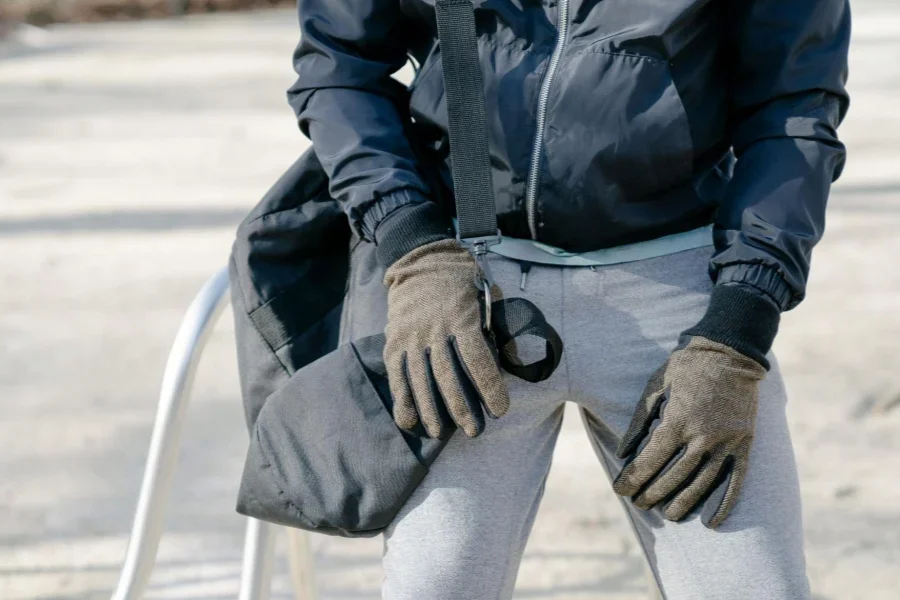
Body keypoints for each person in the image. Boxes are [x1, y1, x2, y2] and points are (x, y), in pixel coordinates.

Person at [287, 0, 850, 598]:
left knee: (752, 587)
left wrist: (737, 328)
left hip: (685, 292)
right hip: (460, 285)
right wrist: (412, 246)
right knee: (435, 585)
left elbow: (793, 110)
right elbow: (339, 66)